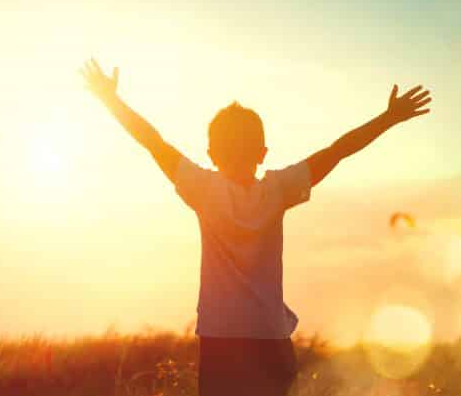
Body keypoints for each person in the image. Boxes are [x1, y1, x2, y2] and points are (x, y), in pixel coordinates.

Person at [79, 58, 433, 396]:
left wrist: (111, 100)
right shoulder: (278, 189)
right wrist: (388, 119)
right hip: (270, 339)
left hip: (221, 339)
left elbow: (152, 142)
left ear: (211, 152)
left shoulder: (203, 189)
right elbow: (337, 150)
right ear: (262, 152)